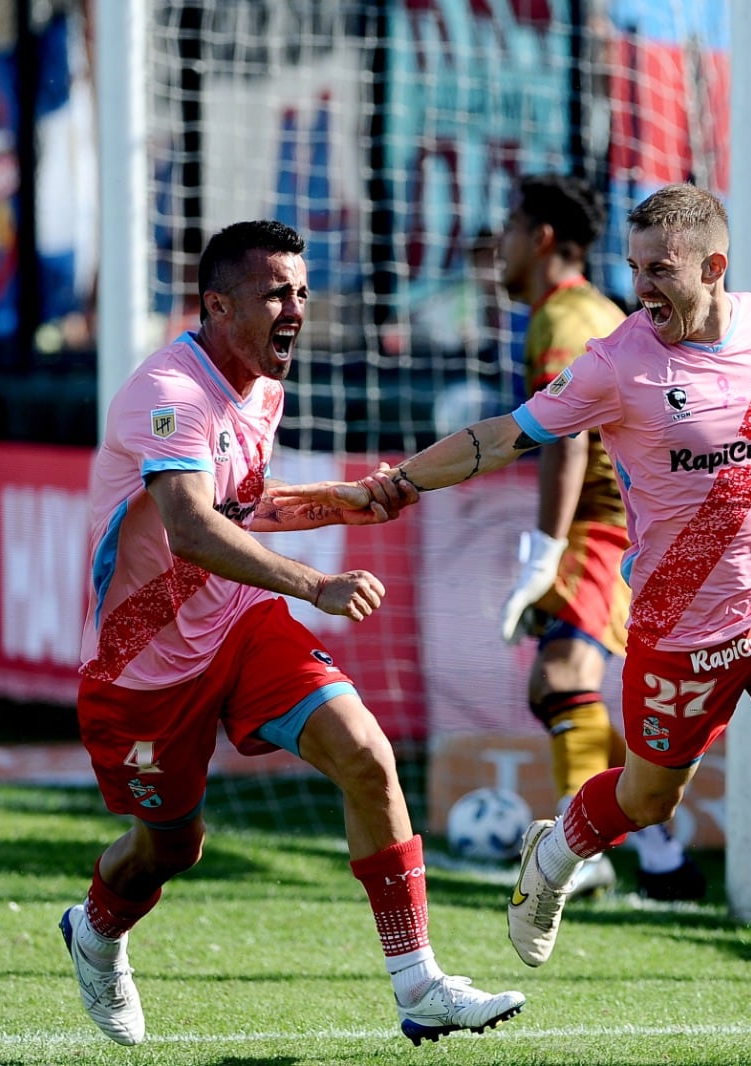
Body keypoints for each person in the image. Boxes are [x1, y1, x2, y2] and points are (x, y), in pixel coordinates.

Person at [308, 184, 751, 1061]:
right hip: (680, 628)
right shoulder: (617, 360)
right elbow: (506, 435)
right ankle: (554, 857)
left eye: (660, 268)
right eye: (635, 267)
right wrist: (398, 482)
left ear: (713, 266)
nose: (643, 285)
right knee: (651, 797)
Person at [62, 219, 524, 1048]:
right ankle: (95, 932)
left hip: (239, 625)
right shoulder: (166, 396)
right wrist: (317, 581)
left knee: (367, 754)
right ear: (217, 304)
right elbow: (194, 530)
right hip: (144, 671)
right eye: (278, 291)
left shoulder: (263, 387)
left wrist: (339, 500)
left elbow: (242, 503)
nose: (297, 308)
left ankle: (418, 984)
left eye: (303, 291)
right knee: (173, 849)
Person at [493, 173, 704, 901]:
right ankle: (661, 844)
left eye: (511, 228)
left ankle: (580, 851)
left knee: (559, 681)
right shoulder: (580, 310)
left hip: (606, 528)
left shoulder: (567, 316)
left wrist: (544, 551)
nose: (500, 245)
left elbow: (567, 435)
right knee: (556, 689)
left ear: (542, 238)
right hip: (615, 524)